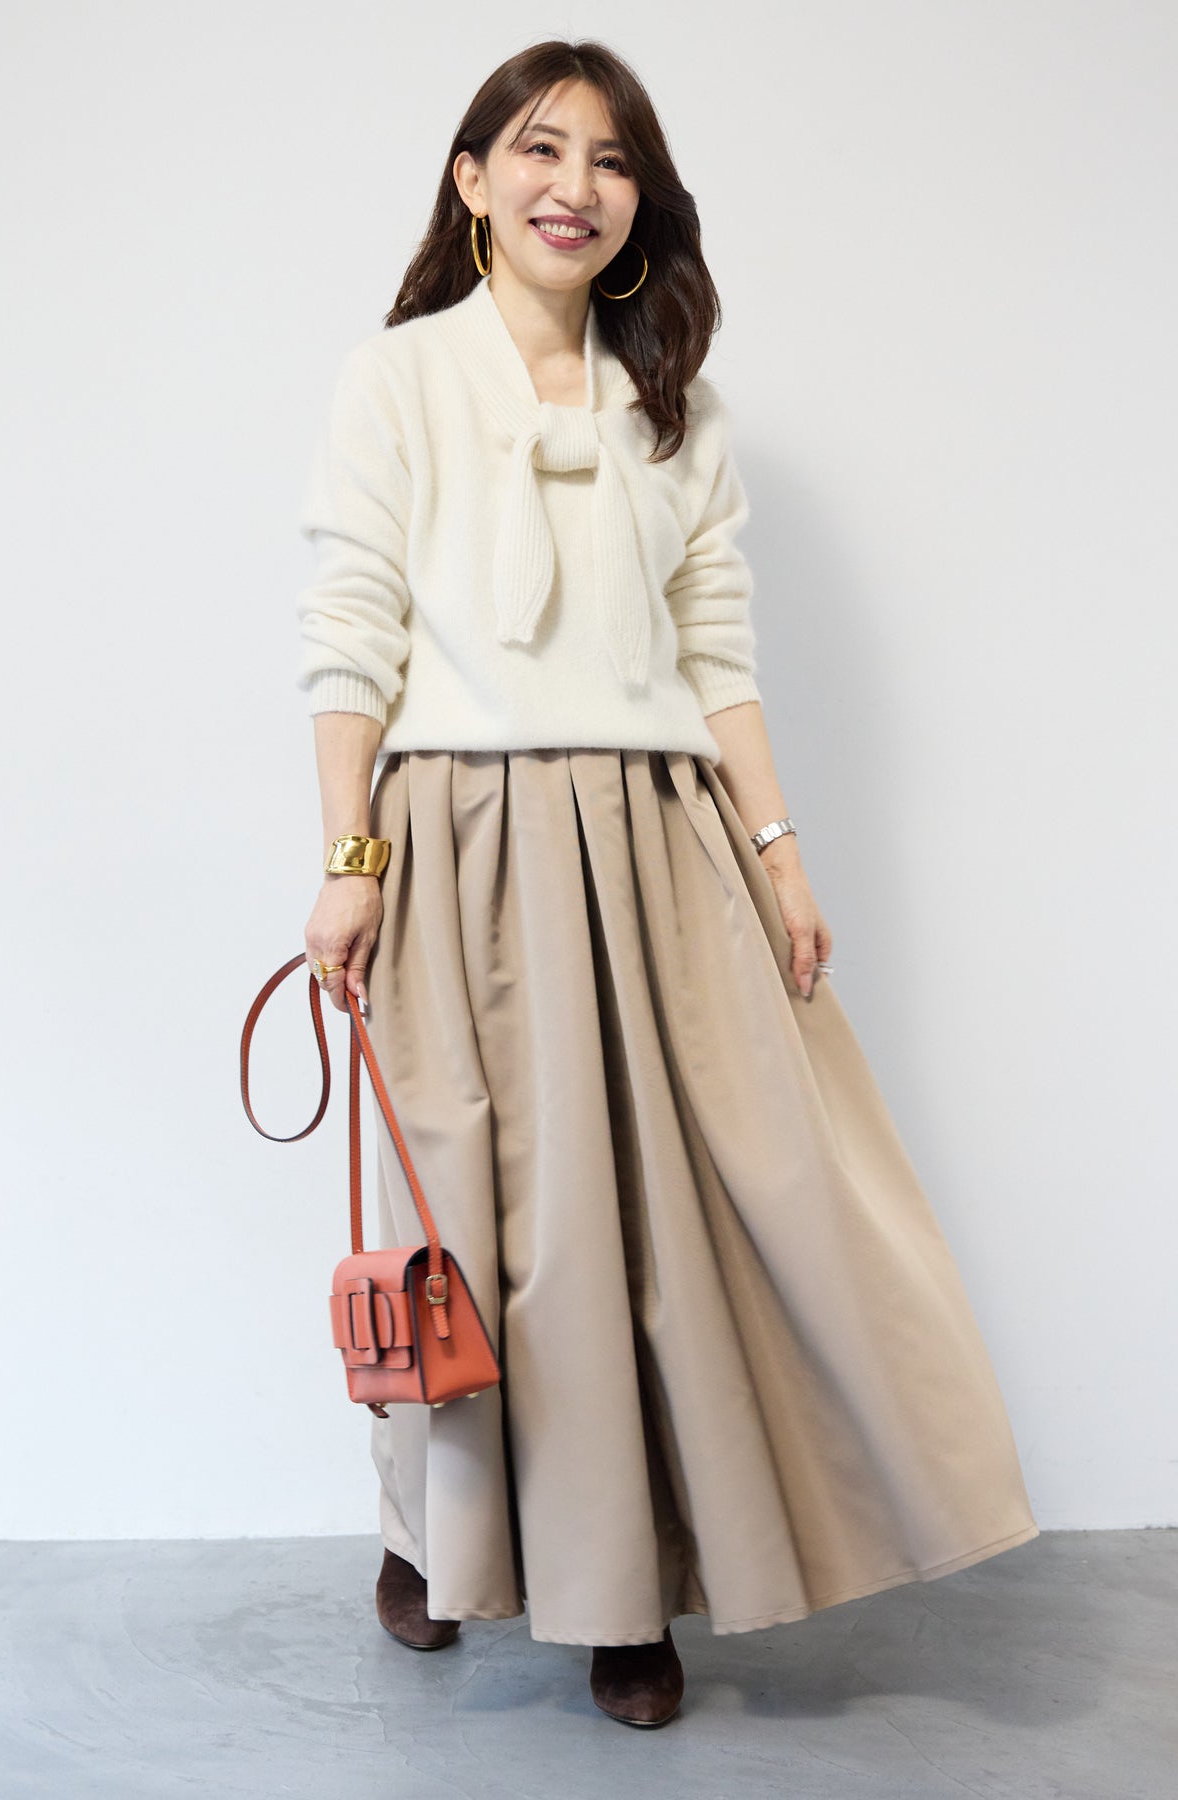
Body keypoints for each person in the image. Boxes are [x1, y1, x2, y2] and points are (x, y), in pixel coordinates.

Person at [293, 40, 1039, 1729]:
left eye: (613, 159)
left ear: (643, 200)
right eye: (540, 148)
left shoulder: (673, 404)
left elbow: (715, 650)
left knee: (671, 1223)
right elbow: (347, 634)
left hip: (653, 839)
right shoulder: (395, 380)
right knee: (470, 1228)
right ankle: (431, 1538)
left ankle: (629, 1592)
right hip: (459, 845)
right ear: (472, 179)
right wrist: (347, 863)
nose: (576, 185)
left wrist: (780, 853)